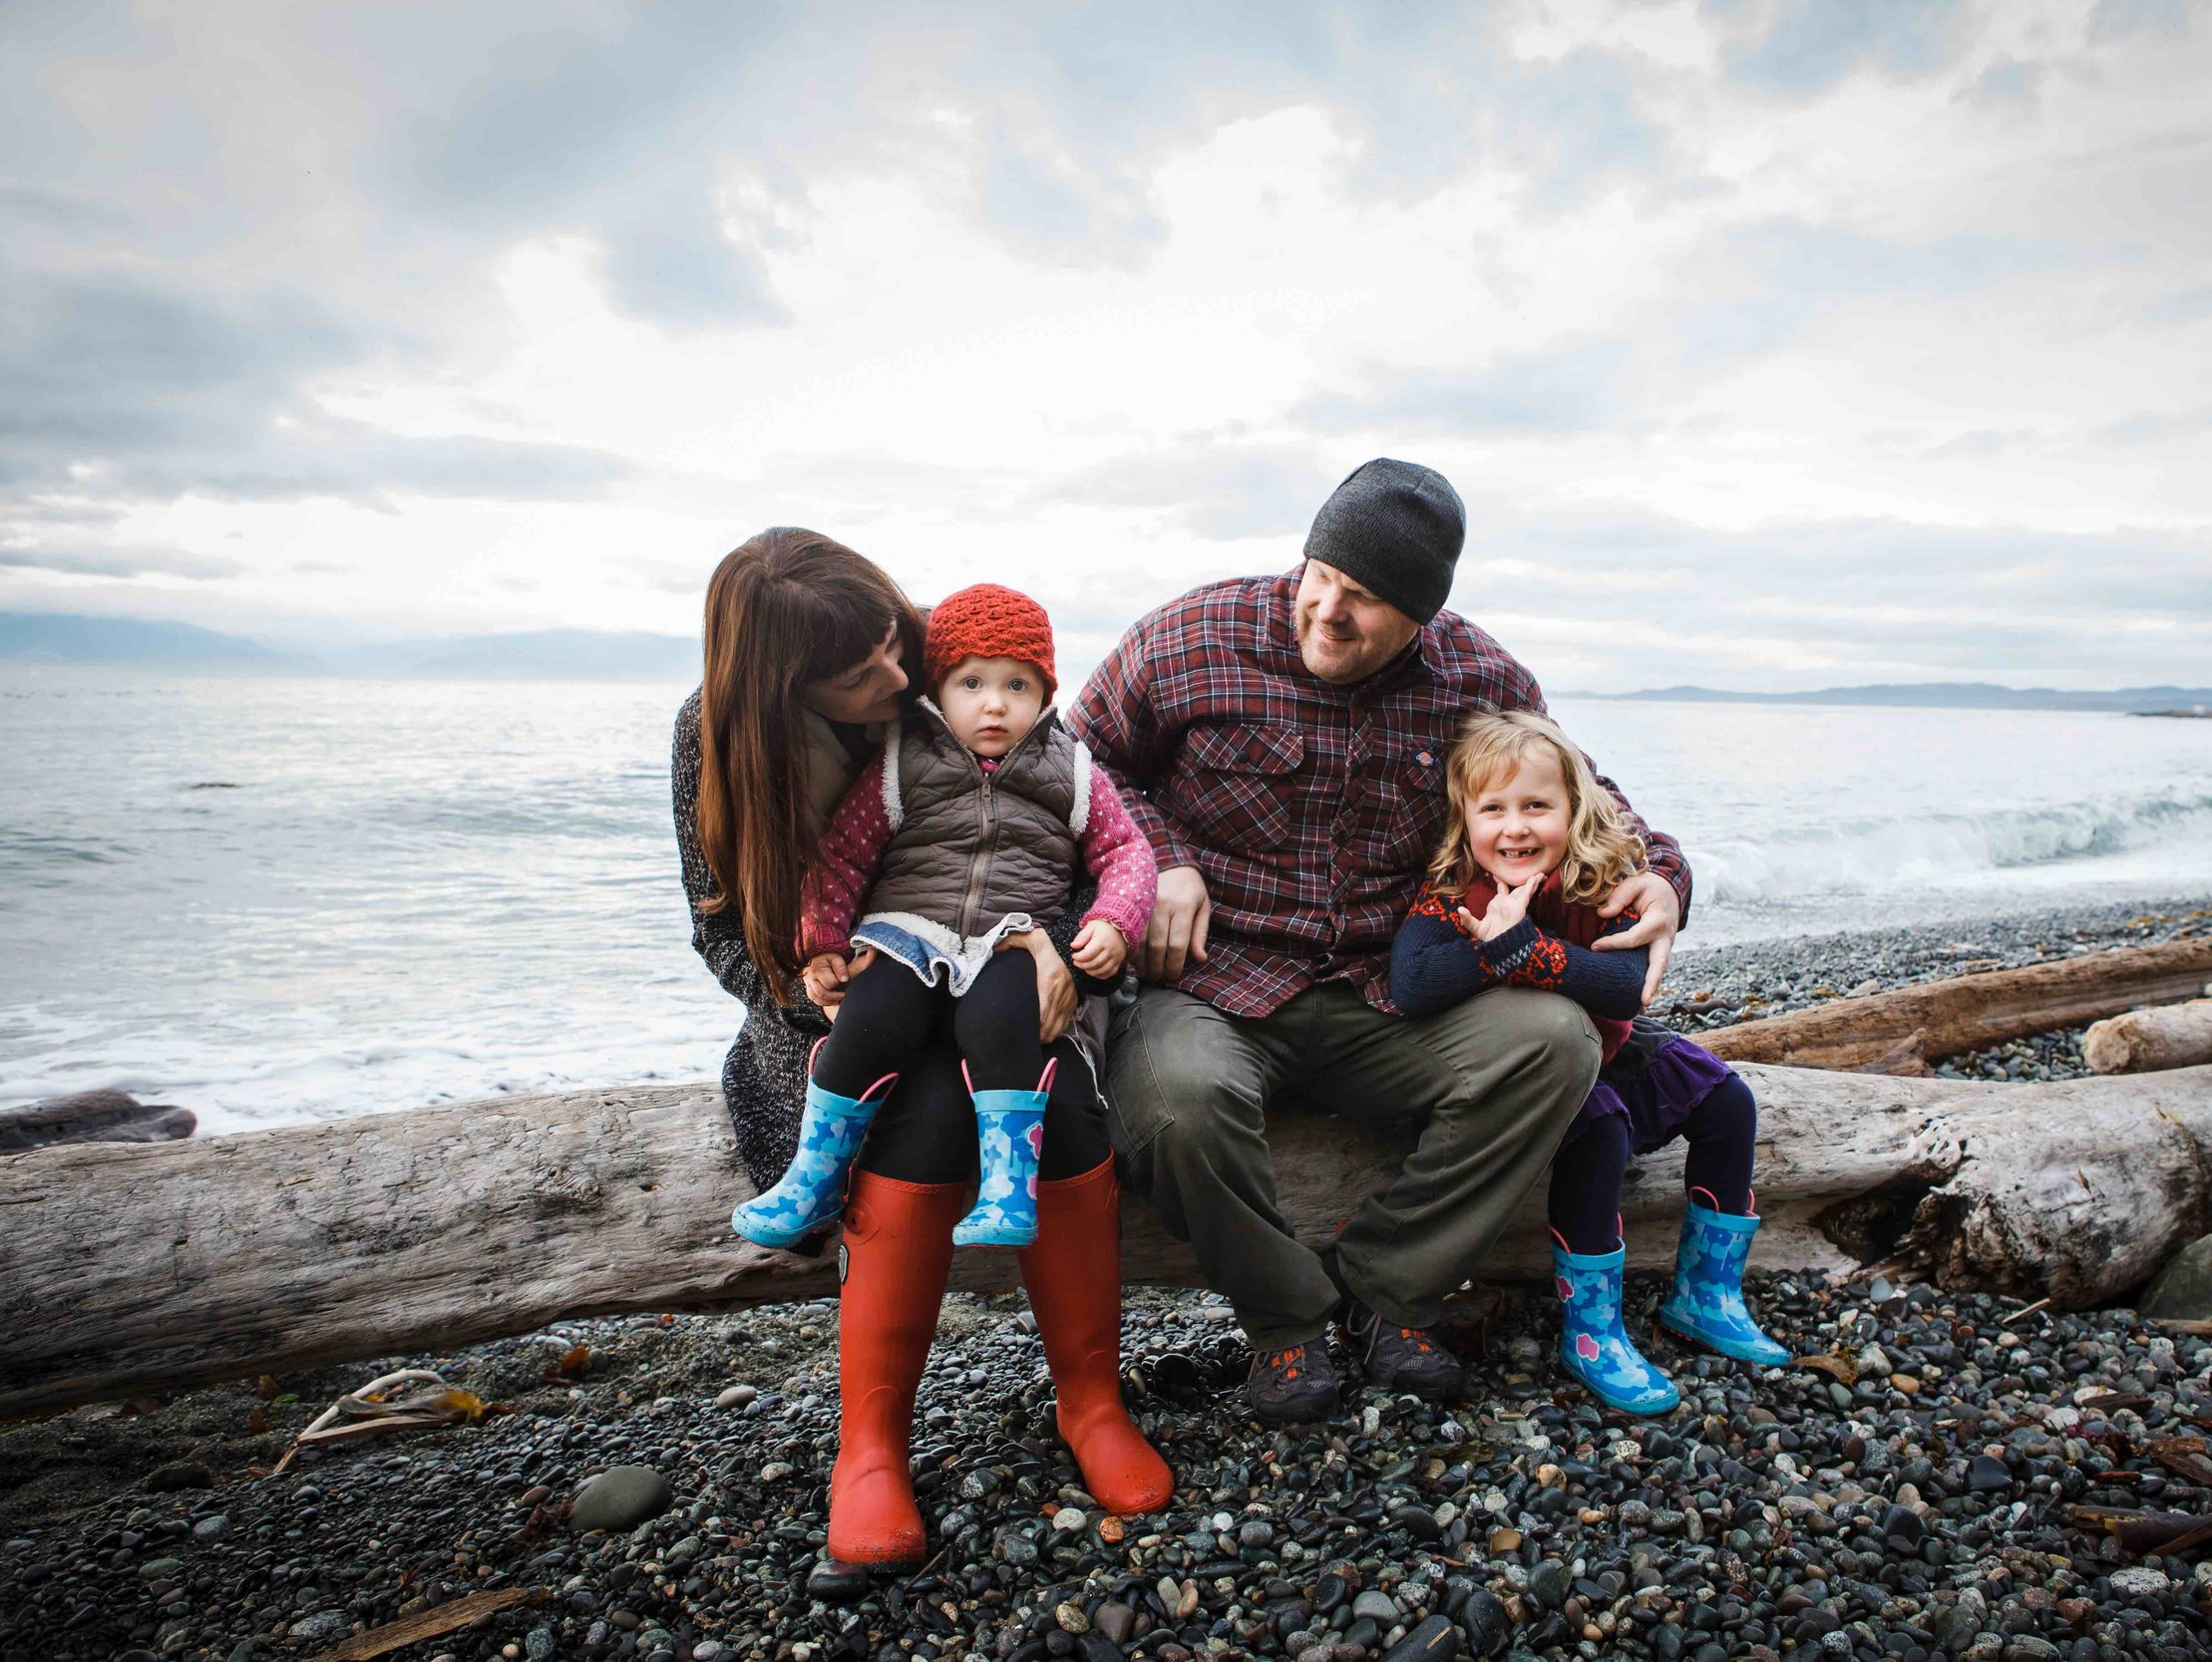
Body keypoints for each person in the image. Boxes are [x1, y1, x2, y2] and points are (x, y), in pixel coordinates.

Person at [1069, 459, 1693, 1425]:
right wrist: (1162, 856)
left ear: (1422, 614)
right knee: (1174, 1103)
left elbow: (1580, 788)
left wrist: (1660, 871)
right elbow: (1077, 762)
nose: (1325, 610)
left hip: (1389, 990)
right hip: (1210, 979)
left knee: (1555, 1043)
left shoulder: (1476, 675)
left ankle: (1389, 1289)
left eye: (1362, 599)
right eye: (1319, 575)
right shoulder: (1189, 635)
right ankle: (1284, 1323)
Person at [672, 530, 1169, 1570]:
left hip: (1009, 970)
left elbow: (1086, 825)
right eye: (863, 674)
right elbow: (722, 933)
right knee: (925, 1114)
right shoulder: (713, 744)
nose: (898, 680)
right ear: (784, 686)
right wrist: (837, 989)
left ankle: (1090, 1401)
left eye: (898, 650)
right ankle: (871, 1447)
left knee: (1059, 1096)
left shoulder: (960, 676)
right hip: (848, 1007)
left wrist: (1075, 957)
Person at [734, 583, 1158, 1252]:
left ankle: (1007, 1190)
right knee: (870, 1016)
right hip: (910, 932)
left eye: (1018, 684)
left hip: (1009, 939)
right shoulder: (903, 760)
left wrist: (1114, 921)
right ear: (939, 689)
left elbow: (1127, 850)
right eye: (972, 682)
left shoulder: (1072, 768)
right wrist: (819, 944)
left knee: (1002, 1020)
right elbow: (841, 856)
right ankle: (811, 1177)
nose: (994, 702)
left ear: (1046, 694)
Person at [1387, 709, 1788, 1416]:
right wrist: (1488, 949)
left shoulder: (1598, 878)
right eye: (1494, 809)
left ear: (1573, 808)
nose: (1515, 828)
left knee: (1729, 1100)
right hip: (1530, 1075)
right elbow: (1413, 983)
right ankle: (1593, 1329)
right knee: (1599, 1130)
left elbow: (1627, 983)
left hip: (1608, 1039)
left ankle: (1707, 1293)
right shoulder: (1455, 892)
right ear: (1465, 818)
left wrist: (1527, 951)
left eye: (1536, 806)